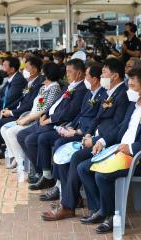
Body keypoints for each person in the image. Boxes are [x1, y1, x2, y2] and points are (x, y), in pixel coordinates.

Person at [78, 67, 141, 234]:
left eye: (132, 86)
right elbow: (120, 130)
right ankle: (99, 209)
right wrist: (102, 141)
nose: (129, 90)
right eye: (128, 85)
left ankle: (113, 217)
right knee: (83, 168)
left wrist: (131, 148)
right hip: (118, 151)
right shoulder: (133, 106)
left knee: (102, 175)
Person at [40, 59, 129, 220]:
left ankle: (71, 205)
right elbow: (97, 118)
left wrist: (96, 140)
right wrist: (88, 133)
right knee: (65, 152)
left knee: (77, 159)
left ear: (114, 76)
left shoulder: (122, 94)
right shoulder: (111, 91)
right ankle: (81, 203)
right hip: (93, 136)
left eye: (104, 72)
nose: (102, 76)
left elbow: (118, 126)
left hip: (107, 142)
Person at [17, 58, 88, 190]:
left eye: (69, 72)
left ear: (78, 73)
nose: (67, 74)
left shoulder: (82, 89)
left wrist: (49, 119)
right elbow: (55, 104)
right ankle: (42, 172)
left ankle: (46, 175)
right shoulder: (68, 86)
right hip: (47, 119)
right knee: (23, 136)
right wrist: (45, 115)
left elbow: (69, 111)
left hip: (60, 123)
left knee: (34, 138)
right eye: (66, 71)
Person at [0, 62, 61, 170]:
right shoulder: (44, 88)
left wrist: (27, 119)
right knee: (5, 129)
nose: (41, 73)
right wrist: (24, 117)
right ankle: (19, 160)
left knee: (12, 132)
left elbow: (44, 109)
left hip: (36, 120)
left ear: (48, 73)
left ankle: (22, 163)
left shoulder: (54, 88)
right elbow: (37, 106)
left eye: (43, 71)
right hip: (30, 117)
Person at [0, 56, 44, 163]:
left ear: (34, 70)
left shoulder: (39, 83)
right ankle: (14, 157)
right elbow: (21, 98)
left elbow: (29, 105)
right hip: (19, 111)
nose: (23, 70)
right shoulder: (31, 82)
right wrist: (9, 108)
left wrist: (12, 112)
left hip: (25, 115)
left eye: (26, 68)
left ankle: (11, 158)